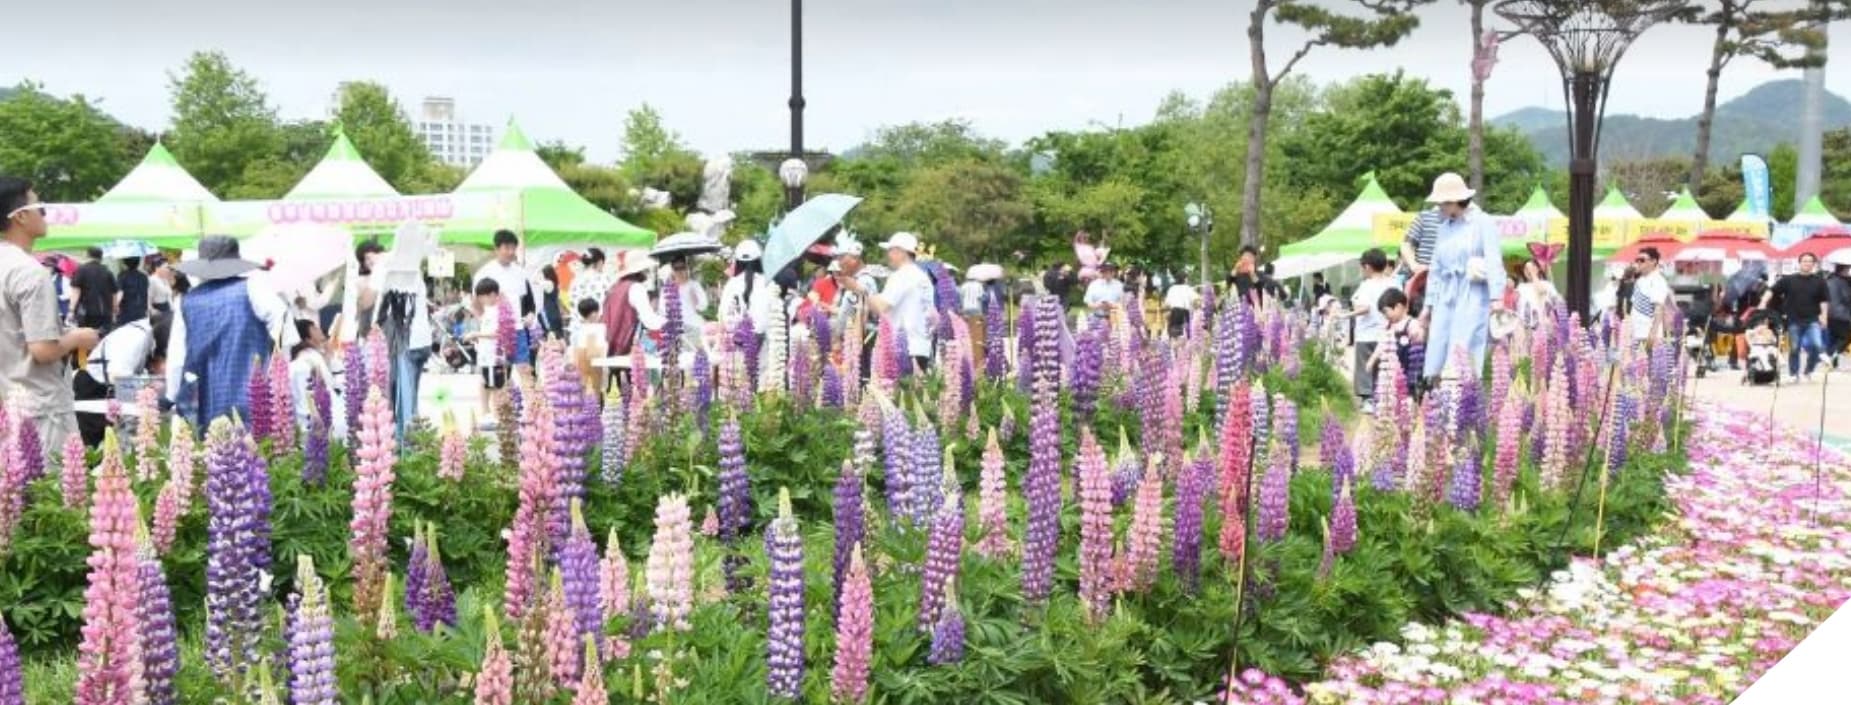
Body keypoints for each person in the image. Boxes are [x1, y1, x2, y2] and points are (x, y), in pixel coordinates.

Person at [1, 177, 101, 459]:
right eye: (40, 208)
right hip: (41, 410)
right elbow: (43, 350)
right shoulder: (30, 272)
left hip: (7, 405)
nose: (45, 215)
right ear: (20, 216)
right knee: (51, 496)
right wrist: (78, 338)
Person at [166, 236, 300, 432]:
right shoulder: (251, 288)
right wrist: (279, 364)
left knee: (215, 448)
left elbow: (177, 357)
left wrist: (172, 395)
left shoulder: (186, 302)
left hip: (208, 395)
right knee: (261, 449)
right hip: (254, 391)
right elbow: (281, 317)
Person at [1418, 172, 1504, 381]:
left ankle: (1464, 399)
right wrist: (1428, 306)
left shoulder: (1482, 222)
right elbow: (1436, 269)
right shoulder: (1444, 228)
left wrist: (1496, 297)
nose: (1440, 207)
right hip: (1446, 295)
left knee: (1464, 345)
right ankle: (1441, 398)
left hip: (1473, 292)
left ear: (1455, 201)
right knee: (1440, 344)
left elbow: (1494, 260)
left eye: (1443, 203)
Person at [840, 232, 934, 374]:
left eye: (891, 251)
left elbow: (881, 307)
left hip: (902, 349)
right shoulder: (922, 277)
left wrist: (858, 289)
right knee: (916, 394)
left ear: (901, 252)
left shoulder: (902, 276)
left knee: (896, 393)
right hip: (922, 347)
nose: (888, 255)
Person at [73, 315, 170, 447]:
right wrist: (152, 387)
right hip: (94, 390)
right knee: (96, 451)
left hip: (109, 392)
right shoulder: (135, 338)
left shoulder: (149, 330)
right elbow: (119, 380)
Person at [472, 230, 542, 369]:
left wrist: (530, 315)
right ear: (496, 249)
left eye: (513, 248)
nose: (511, 252)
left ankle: (525, 390)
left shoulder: (520, 273)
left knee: (524, 369)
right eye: (507, 248)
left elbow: (529, 302)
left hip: (517, 330)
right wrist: (485, 322)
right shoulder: (484, 273)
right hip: (495, 333)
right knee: (497, 375)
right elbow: (475, 304)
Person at [1762, 252, 1832, 382]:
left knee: (1816, 345)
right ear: (1799, 263)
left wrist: (1824, 316)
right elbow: (1772, 290)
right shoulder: (1789, 280)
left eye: (1810, 261)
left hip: (1813, 319)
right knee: (1794, 348)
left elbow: (1824, 300)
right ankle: (1794, 374)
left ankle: (1808, 371)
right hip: (1794, 319)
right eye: (1804, 261)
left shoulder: (1819, 281)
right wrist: (1763, 302)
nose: (1807, 264)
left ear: (1814, 264)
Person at [1347, 249, 1397, 411]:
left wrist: (1345, 315)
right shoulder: (1394, 283)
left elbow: (1364, 308)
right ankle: (1385, 398)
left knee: (1365, 368)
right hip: (1388, 333)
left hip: (1367, 334)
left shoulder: (1366, 286)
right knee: (1384, 367)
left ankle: (1369, 400)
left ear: (1367, 267)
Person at [288, 318, 344, 439]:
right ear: (307, 338)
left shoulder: (310, 356)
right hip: (321, 423)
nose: (319, 329)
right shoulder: (310, 358)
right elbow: (334, 385)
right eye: (314, 328)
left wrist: (328, 356)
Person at [1373, 288, 1426, 403]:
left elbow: (1420, 337)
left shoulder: (1412, 323)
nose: (1385, 316)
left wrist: (1418, 335)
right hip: (1392, 370)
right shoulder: (1389, 327)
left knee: (1411, 396)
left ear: (1398, 307)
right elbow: (1381, 345)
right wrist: (1372, 360)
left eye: (1386, 311)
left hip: (1410, 368)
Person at [466, 278, 508, 423]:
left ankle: (497, 415)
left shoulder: (498, 311)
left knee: (495, 385)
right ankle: (487, 413)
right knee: (486, 382)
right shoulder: (490, 311)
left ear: (492, 295)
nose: (480, 300)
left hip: (493, 357)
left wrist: (476, 335)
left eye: (481, 296)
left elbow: (498, 333)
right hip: (485, 356)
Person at [719, 240, 776, 339]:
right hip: (765, 343)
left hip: (736, 343)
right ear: (759, 260)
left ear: (737, 261)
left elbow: (723, 315)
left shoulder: (731, 284)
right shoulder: (769, 283)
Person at [1626, 247, 1672, 348]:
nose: (1638, 263)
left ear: (1653, 261)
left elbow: (1659, 308)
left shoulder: (1658, 280)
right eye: (1637, 260)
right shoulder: (1639, 281)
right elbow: (1634, 308)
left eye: (1642, 260)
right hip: (1635, 334)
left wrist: (1653, 333)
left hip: (1648, 335)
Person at [567, 247, 617, 338]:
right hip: (597, 329)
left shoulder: (575, 280)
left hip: (577, 328)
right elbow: (608, 305)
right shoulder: (604, 279)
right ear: (600, 262)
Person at [70, 246, 119, 333]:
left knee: (86, 338)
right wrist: (115, 310)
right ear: (101, 257)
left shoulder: (81, 270)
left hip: (87, 312)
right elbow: (114, 293)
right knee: (103, 338)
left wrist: (71, 309)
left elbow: (76, 291)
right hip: (105, 312)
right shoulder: (107, 271)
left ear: (88, 255)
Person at [1827, 263, 1851, 369]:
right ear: (1843, 269)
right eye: (1847, 269)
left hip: (1829, 314)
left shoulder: (1829, 280)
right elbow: (1846, 298)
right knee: (1844, 338)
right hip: (1841, 314)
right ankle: (1830, 355)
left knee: (1835, 339)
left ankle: (1833, 363)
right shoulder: (1841, 282)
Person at [116, 255, 150, 327]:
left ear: (125, 262)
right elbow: (147, 293)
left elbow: (120, 293)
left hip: (126, 310)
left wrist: (116, 306)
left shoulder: (122, 275)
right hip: (141, 310)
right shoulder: (144, 276)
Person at [539, 265, 565, 340]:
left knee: (552, 337)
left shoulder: (548, 283)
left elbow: (534, 281)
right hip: (555, 312)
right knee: (559, 337)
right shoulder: (553, 283)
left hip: (549, 313)